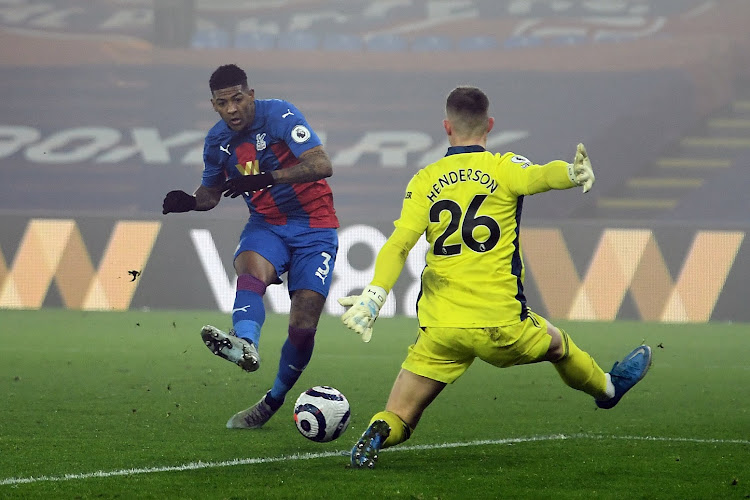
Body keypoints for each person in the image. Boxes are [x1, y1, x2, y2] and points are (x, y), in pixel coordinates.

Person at [338, 86, 652, 469]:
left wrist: (374, 295)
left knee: (401, 413)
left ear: (446, 127)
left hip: (442, 326)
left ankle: (379, 432)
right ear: (489, 125)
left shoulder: (425, 180)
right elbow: (539, 177)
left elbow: (398, 245)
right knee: (559, 346)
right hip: (499, 323)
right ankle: (608, 388)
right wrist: (571, 173)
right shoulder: (503, 166)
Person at [162, 64, 339, 429]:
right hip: (267, 225)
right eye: (223, 102)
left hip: (315, 228)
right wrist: (189, 202)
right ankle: (245, 343)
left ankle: (272, 400)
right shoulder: (217, 143)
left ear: (251, 95)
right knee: (250, 267)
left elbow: (322, 164)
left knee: (303, 326)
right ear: (213, 105)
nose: (232, 109)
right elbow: (211, 194)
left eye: (238, 99)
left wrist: (268, 177)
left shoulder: (280, 115)